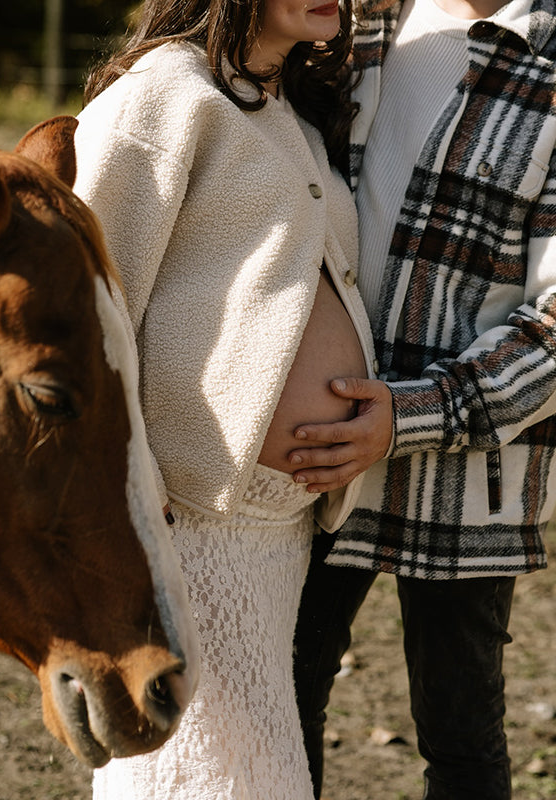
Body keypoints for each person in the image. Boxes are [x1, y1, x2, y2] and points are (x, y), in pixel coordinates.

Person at [72, 1, 377, 798]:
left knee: (245, 771)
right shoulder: (160, 98)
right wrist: (125, 504)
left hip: (276, 529)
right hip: (187, 523)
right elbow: (93, 320)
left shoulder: (287, 109)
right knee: (202, 776)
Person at [291, 0, 556, 797]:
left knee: (460, 731)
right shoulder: (349, 23)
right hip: (313, 441)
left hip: (468, 473)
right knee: (279, 692)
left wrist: (411, 416)